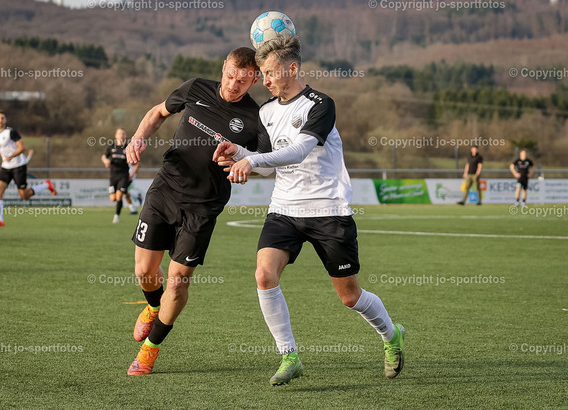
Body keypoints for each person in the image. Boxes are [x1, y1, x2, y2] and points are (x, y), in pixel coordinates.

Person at [212, 35, 405, 386]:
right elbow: (269, 166)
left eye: (270, 73)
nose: (265, 81)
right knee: (264, 275)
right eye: (263, 74)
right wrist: (239, 152)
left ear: (292, 68)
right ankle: (289, 356)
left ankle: (391, 336)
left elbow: (300, 150)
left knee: (349, 297)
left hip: (328, 210)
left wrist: (251, 160)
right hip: (284, 209)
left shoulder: (321, 104)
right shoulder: (266, 112)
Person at [125, 47, 270, 376]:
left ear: (255, 80)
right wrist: (138, 138)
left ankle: (149, 351)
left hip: (204, 207)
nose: (233, 85)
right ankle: (153, 306)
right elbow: (158, 112)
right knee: (145, 271)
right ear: (224, 68)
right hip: (165, 190)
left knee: (177, 284)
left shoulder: (257, 117)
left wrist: (241, 162)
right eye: (230, 76)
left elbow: (265, 164)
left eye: (243, 81)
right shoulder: (195, 88)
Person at [0, 110, 56, 227]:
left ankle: (47, 185)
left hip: (18, 165)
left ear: (5, 120)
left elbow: (22, 147)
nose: (0, 120)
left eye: (2, 118)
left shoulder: (11, 132)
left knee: (24, 195)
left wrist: (12, 156)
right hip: (6, 167)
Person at [101, 128, 138, 223]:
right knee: (113, 199)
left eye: (123, 133)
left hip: (123, 175)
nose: (121, 135)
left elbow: (135, 162)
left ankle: (116, 216)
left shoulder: (128, 147)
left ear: (125, 136)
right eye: (119, 133)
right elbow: (104, 156)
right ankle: (128, 196)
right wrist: (106, 161)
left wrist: (131, 162)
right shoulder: (111, 147)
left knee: (118, 197)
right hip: (113, 176)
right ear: (116, 136)